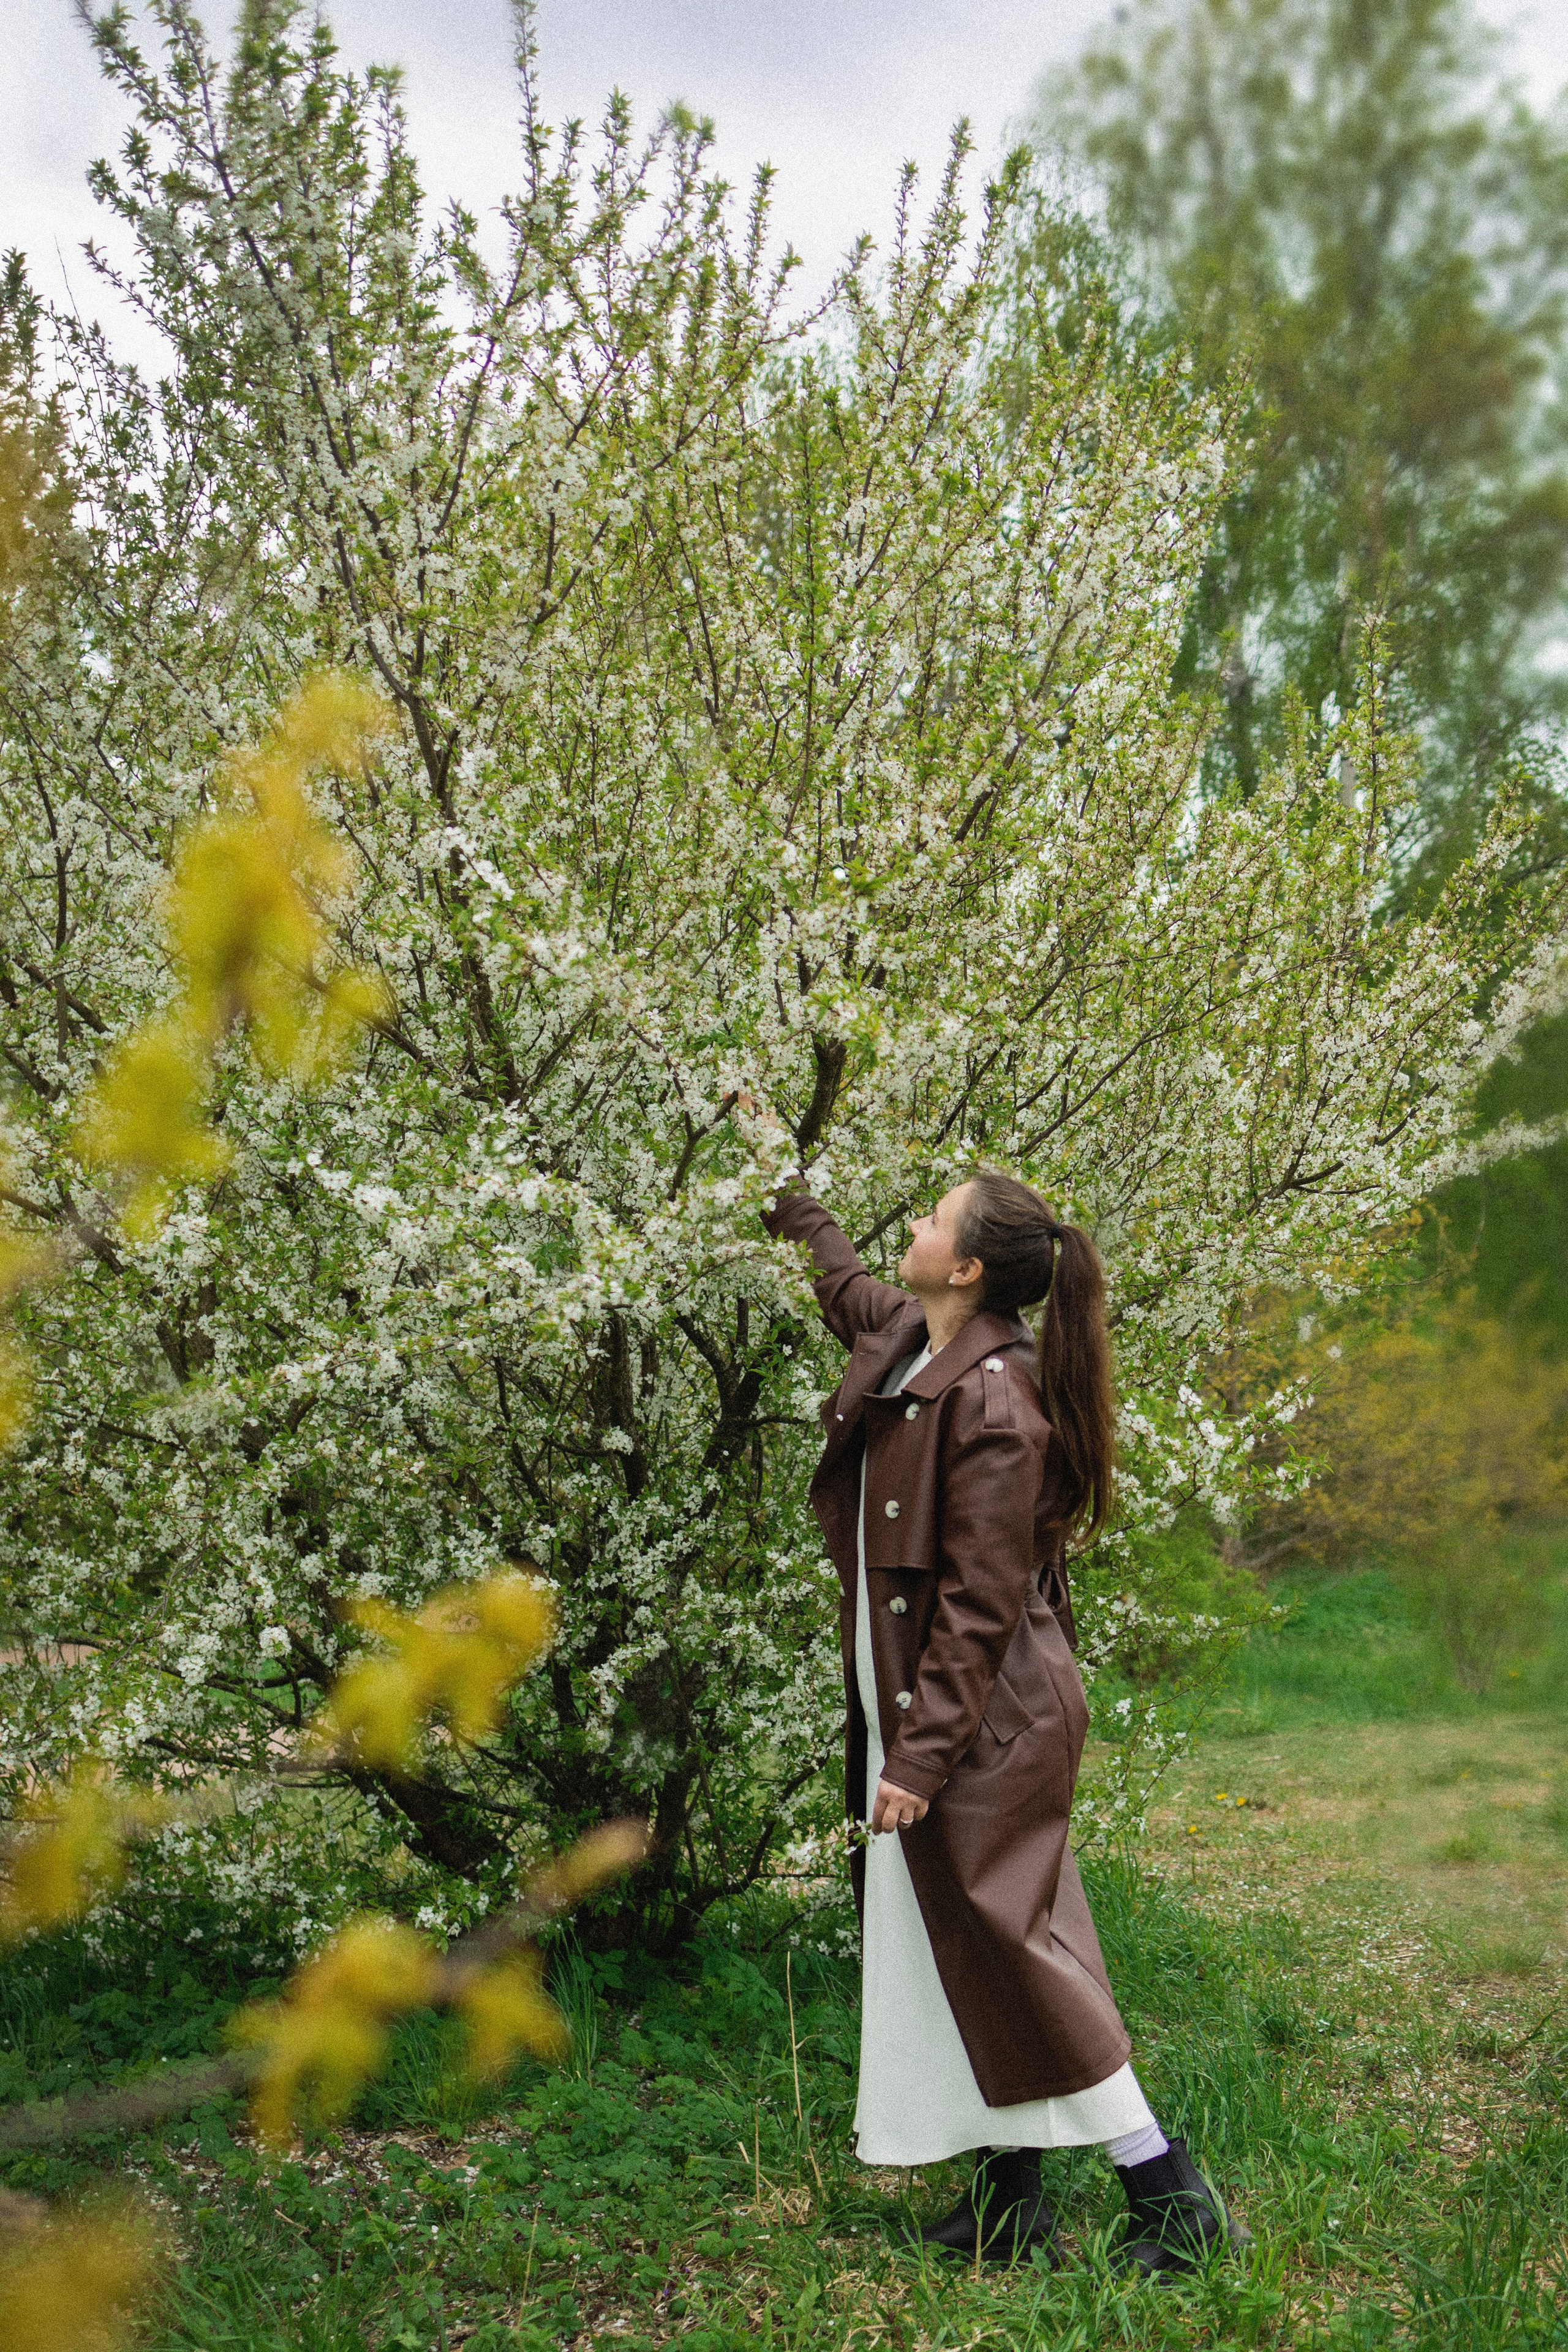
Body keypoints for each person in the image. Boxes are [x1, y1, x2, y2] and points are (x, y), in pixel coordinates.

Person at [753, 1139, 1250, 2274]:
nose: (912, 1236)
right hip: (937, 1707)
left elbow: (980, 1609)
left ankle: (1169, 2194)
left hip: (985, 1720)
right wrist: (774, 1174)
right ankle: (1012, 2201)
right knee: (952, 1945)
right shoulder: (914, 1342)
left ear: (968, 1269)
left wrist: (920, 1759)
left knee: (1016, 1945)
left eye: (933, 1222)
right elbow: (839, 1278)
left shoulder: (1000, 1405)